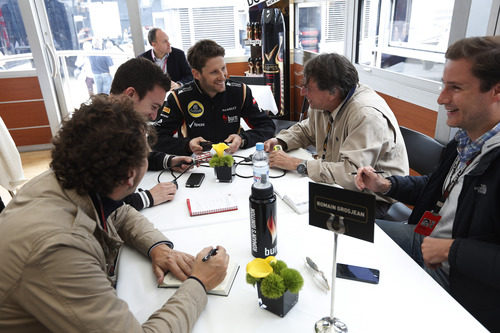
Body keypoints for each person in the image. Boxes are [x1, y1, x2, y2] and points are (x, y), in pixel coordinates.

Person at [0, 95, 229, 332]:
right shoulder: (59, 249)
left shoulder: (67, 176)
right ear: (130, 176)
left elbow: (118, 212)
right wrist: (199, 283)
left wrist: (158, 247)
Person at [354, 36, 500, 331]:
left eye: (455, 88)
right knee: (352, 230)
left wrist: (450, 250)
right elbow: (438, 186)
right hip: (428, 240)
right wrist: (386, 185)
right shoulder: (467, 139)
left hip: (461, 280)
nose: (441, 98)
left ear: (496, 91)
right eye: (443, 85)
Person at [264, 53, 408, 218]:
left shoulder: (366, 115)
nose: (303, 92)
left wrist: (297, 164)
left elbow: (352, 173)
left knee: (300, 219)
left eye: (308, 88)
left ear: (333, 92)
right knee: (282, 203)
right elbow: (308, 129)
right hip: (337, 184)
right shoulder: (324, 102)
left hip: (371, 198)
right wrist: (280, 140)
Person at [153, 39, 276, 156]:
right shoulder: (179, 98)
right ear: (196, 74)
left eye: (223, 68)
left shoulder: (240, 91)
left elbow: (267, 126)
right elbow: (156, 139)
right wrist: (187, 145)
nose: (222, 76)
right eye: (214, 72)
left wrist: (242, 139)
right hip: (194, 164)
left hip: (234, 159)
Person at [110, 58, 192, 211]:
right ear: (130, 94)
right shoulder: (99, 133)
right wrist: (149, 197)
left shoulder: (121, 120)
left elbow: (138, 157)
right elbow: (105, 205)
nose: (154, 116)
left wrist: (170, 161)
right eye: (153, 107)